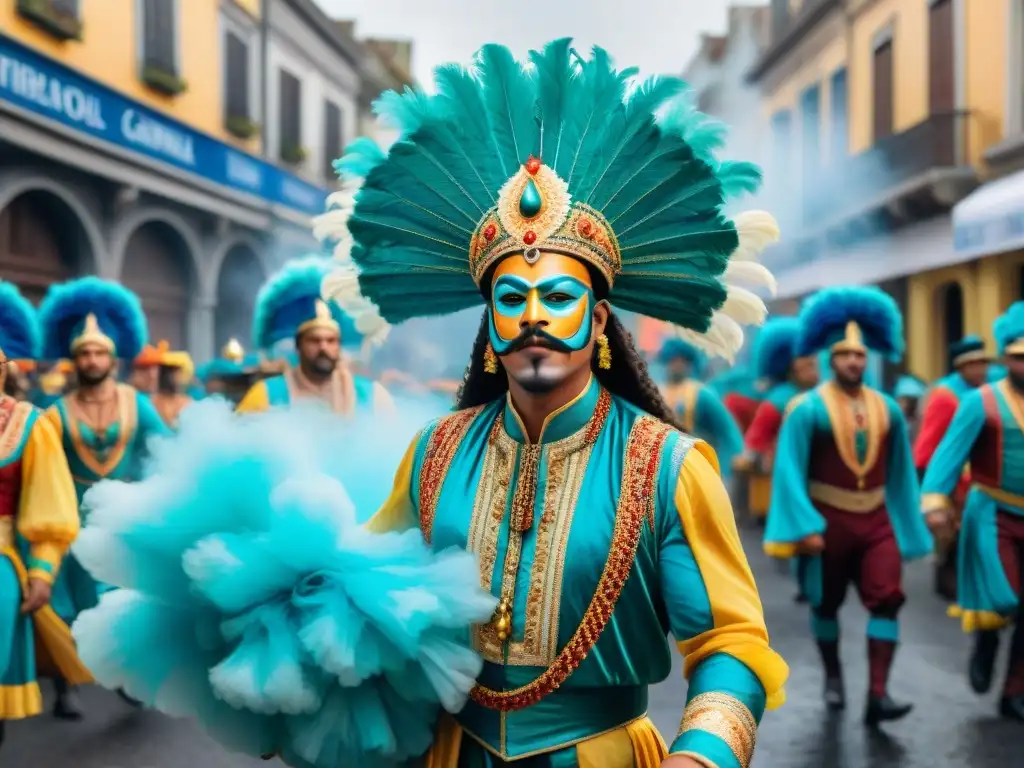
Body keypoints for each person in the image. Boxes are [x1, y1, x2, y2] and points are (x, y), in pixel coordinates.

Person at [307, 40, 790, 767]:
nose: (534, 313)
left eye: (559, 296)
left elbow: (731, 641)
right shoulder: (436, 453)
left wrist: (702, 754)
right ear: (491, 325)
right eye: (512, 297)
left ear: (597, 320)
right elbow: (368, 603)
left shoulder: (668, 468)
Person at [764, 286, 932, 727]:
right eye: (843, 354)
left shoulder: (889, 409)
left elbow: (900, 473)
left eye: (859, 354)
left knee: (888, 600)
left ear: (869, 358)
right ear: (828, 358)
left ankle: (878, 693)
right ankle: (834, 677)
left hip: (877, 521)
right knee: (824, 604)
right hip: (826, 521)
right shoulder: (805, 409)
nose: (853, 362)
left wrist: (908, 523)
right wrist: (803, 525)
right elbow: (788, 471)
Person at [37, 277, 172, 714]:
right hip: (71, 518)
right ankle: (64, 685)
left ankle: (124, 672)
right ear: (73, 361)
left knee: (123, 597)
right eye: (84, 353)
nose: (92, 359)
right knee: (69, 603)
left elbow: (165, 448)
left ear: (113, 359)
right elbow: (40, 466)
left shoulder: (136, 403)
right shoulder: (56, 412)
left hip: (122, 517)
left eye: (99, 352)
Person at [921, 301, 1024, 721]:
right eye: (1019, 357)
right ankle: (986, 640)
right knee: (1006, 599)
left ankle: (1014, 690)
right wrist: (935, 502)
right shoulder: (981, 401)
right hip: (992, 514)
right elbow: (947, 456)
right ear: (1006, 359)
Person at [0, 282, 91, 744]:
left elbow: (48, 501)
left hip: (9, 552)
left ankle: (66, 688)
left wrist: (40, 570)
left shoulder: (30, 424)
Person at [236, 255, 395, 416]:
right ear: (298, 346)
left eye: (331, 340)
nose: (323, 347)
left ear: (339, 346)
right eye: (314, 340)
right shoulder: (266, 396)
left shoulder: (373, 397)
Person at [914, 335, 992, 601]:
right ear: (961, 367)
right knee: (949, 534)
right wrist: (934, 484)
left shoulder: (987, 391)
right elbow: (931, 441)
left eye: (984, 363)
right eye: (975, 364)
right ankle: (948, 583)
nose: (981, 370)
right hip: (952, 477)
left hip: (980, 477)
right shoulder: (945, 396)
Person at [735, 317, 819, 528]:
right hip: (782, 478)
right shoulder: (779, 400)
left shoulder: (818, 396)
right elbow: (758, 435)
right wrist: (751, 456)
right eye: (805, 357)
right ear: (789, 364)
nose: (813, 362)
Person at [657, 338, 744, 476]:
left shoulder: (700, 393)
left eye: (682, 361)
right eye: (673, 360)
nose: (677, 365)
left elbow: (727, 430)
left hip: (696, 463)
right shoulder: (657, 391)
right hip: (662, 466)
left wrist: (727, 470)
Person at [150, 348, 194, 429]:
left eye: (178, 372)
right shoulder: (151, 402)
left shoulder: (188, 403)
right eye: (167, 371)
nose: (170, 376)